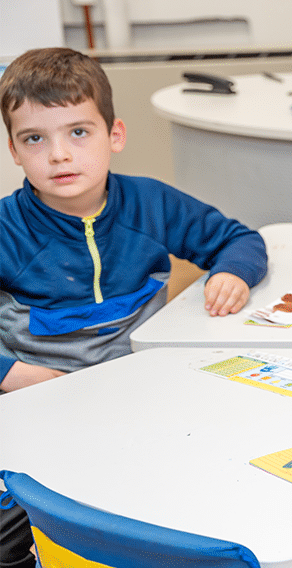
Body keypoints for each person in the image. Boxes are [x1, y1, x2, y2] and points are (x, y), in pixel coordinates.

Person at [0, 46, 269, 565]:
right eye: (35, 139)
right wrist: (13, 373)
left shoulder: (152, 203)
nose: (59, 155)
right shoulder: (6, 230)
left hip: (144, 399)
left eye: (78, 132)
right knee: (28, 525)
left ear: (114, 135)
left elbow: (238, 239)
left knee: (194, 493)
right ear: (14, 151)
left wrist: (233, 271)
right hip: (38, 409)